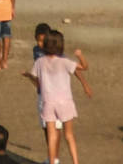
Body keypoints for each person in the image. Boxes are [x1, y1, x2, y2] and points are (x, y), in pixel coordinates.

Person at [27, 29, 90, 164]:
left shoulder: (39, 62)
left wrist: (28, 76)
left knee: (52, 136)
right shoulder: (65, 62)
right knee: (69, 135)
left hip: (48, 102)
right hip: (65, 102)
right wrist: (80, 55)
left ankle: (52, 161)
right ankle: (75, 162)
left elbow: (36, 78)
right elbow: (84, 67)